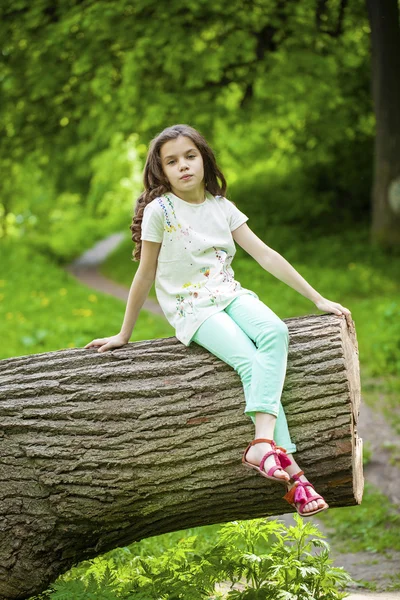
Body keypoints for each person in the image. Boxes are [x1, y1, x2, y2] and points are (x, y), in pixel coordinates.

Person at [84, 124, 352, 517]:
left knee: (275, 332)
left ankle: (264, 448)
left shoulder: (221, 208)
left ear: (204, 160)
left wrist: (317, 297)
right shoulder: (162, 211)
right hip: (192, 306)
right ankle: (292, 475)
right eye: (171, 161)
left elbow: (266, 255)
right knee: (249, 360)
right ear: (161, 171)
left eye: (190, 156)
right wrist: (125, 333)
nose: (183, 166)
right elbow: (144, 273)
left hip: (229, 293)